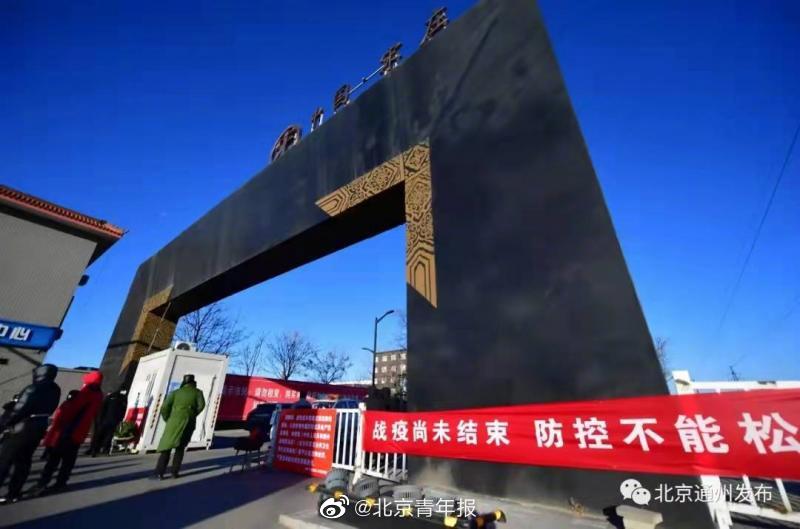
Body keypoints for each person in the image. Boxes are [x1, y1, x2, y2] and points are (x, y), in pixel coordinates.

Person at [33, 371, 103, 495]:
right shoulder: (99, 394)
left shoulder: (86, 392)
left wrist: (61, 420)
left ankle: (42, 483)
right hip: (80, 432)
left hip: (68, 431)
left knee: (54, 459)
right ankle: (61, 482)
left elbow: (72, 410)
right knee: (68, 460)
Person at [0, 365, 61, 505]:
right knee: (24, 461)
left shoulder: (33, 388)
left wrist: (4, 424)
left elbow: (19, 410)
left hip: (22, 427)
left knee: (5, 460)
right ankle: (13, 493)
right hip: (39, 427)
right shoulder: (55, 389)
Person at [152, 374, 205, 479]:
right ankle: (174, 473)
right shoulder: (198, 392)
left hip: (174, 421)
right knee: (180, 448)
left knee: (166, 447)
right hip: (189, 421)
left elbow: (164, 407)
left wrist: (168, 418)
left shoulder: (175, 393)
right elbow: (201, 406)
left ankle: (159, 473)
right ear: (193, 382)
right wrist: (192, 414)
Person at [87, 388, 128, 457]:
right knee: (109, 435)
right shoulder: (123, 398)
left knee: (100, 435)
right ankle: (105, 450)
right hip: (113, 420)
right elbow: (123, 410)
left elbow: (103, 408)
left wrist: (100, 419)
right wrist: (120, 419)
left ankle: (95, 450)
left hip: (105, 420)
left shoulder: (109, 397)